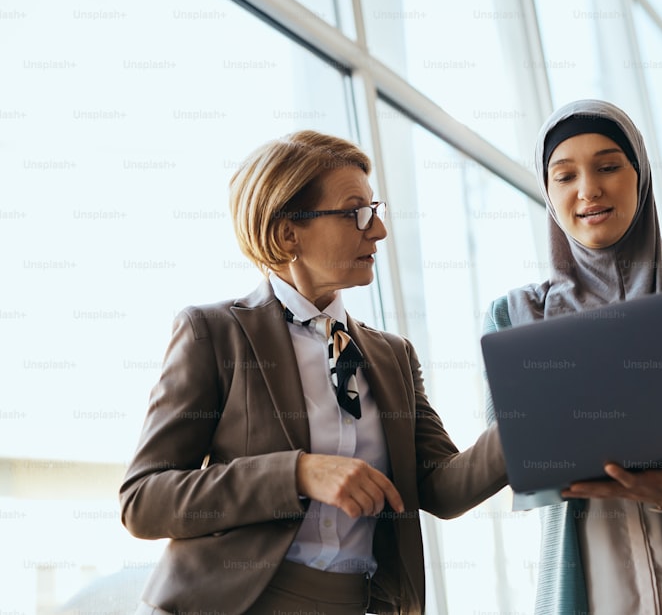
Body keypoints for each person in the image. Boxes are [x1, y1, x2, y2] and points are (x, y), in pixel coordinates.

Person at [120, 131, 508, 615]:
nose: (379, 230)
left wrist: (528, 421)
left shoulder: (393, 357)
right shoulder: (213, 333)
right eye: (355, 212)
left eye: (375, 209)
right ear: (288, 233)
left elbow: (444, 488)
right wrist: (299, 473)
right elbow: (144, 500)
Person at [483, 99, 662, 614]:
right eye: (564, 175)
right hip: (593, 594)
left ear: (639, 175)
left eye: (607, 166)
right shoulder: (514, 319)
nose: (588, 189)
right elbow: (512, 460)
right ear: (548, 195)